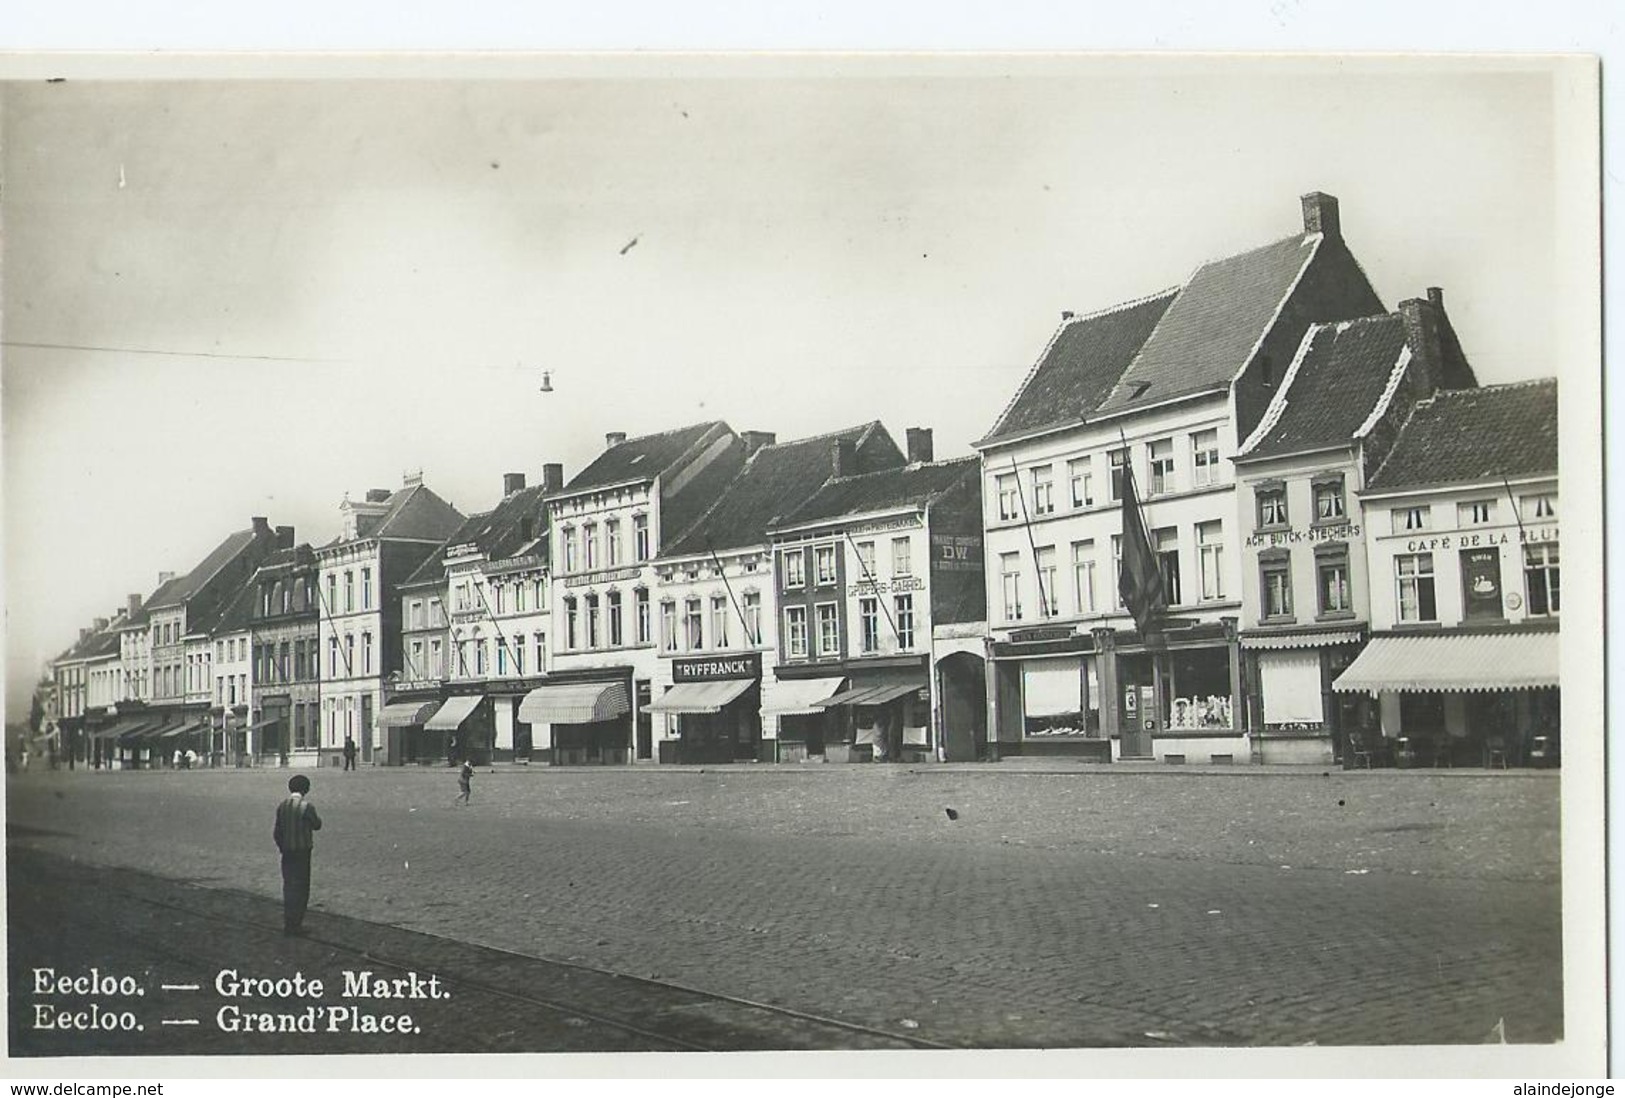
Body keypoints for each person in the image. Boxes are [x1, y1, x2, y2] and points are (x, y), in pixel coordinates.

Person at [273, 774, 323, 935]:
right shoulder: (306, 806)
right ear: (305, 789)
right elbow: (317, 825)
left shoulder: (282, 806)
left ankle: (289, 922)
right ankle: (297, 924)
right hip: (302, 852)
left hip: (287, 852)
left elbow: (277, 832)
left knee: (289, 886)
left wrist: (282, 847)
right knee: (302, 888)